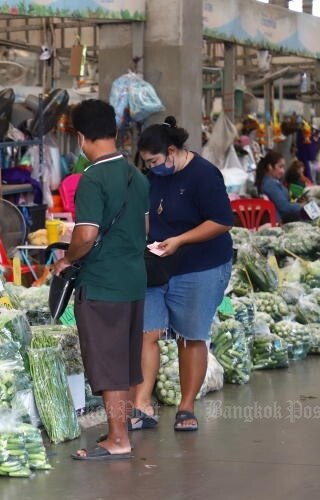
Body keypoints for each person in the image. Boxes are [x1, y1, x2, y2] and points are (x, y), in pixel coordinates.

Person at [52, 99, 149, 461]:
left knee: (106, 363)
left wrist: (66, 259)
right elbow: (144, 228)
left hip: (103, 284)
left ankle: (118, 439)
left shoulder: (93, 177)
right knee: (123, 361)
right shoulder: (136, 175)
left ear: (80, 137)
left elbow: (87, 234)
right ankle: (119, 433)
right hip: (133, 281)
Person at [133, 116, 233, 433]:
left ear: (173, 151)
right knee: (147, 333)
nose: (150, 167)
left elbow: (222, 221)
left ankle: (186, 407)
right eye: (146, 163)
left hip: (200, 265)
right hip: (157, 263)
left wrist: (181, 240)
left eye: (154, 161)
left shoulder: (204, 175)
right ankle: (141, 405)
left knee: (189, 337)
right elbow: (150, 215)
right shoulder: (152, 177)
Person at [255, 151, 304, 223]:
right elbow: (284, 208)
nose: (283, 171)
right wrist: (302, 206)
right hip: (282, 222)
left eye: (283, 167)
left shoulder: (271, 182)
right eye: (280, 167)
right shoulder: (270, 184)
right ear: (270, 167)